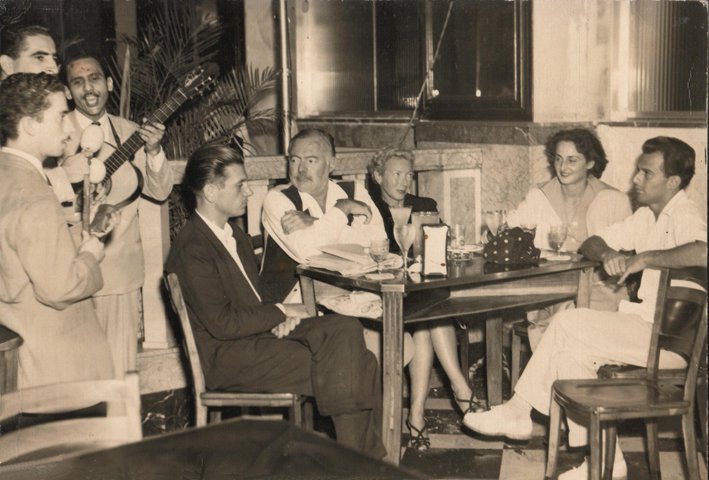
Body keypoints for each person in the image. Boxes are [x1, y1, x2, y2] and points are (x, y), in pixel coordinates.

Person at [463, 136, 707, 480]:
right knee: (568, 360)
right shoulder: (647, 217)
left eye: (647, 173)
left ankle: (518, 411)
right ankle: (606, 460)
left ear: (673, 182)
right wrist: (608, 253)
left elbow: (703, 251)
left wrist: (644, 258)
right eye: (638, 170)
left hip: (668, 343)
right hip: (644, 331)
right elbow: (592, 242)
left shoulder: (684, 213)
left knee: (567, 322)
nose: (636, 179)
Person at [165, 144, 385, 458]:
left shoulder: (234, 236)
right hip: (228, 358)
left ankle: (358, 462)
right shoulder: (193, 249)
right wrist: (281, 310)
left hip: (257, 338)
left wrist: (284, 318)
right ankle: (360, 464)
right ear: (211, 192)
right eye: (240, 185)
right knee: (359, 364)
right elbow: (223, 324)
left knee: (345, 328)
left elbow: (253, 297)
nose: (248, 192)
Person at [53, 51, 173, 377]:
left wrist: (153, 150)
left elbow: (159, 191)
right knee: (75, 373)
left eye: (94, 79)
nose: (88, 89)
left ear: (108, 84)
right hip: (69, 272)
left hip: (120, 274)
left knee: (120, 371)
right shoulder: (57, 133)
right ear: (67, 91)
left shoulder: (130, 131)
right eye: (78, 82)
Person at [0, 73, 115, 388]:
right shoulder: (35, 195)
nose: (70, 129)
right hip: (58, 367)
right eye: (61, 116)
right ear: (29, 125)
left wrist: (75, 234)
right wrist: (90, 254)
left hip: (17, 353)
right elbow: (61, 288)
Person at [367, 147, 477, 450]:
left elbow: (441, 247)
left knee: (429, 316)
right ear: (378, 176)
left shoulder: (425, 206)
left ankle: (418, 415)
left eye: (408, 175)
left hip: (420, 293)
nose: (404, 181)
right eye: (396, 174)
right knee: (430, 315)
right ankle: (461, 391)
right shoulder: (368, 208)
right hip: (384, 296)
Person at [504, 128, 632, 349]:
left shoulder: (613, 199)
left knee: (577, 323)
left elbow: (627, 254)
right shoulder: (540, 196)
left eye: (572, 160)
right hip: (551, 291)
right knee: (566, 318)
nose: (563, 167)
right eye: (558, 159)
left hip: (601, 289)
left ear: (590, 163)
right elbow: (508, 229)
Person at [261, 128, 386, 303]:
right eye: (294, 160)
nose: (301, 169)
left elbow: (379, 245)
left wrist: (315, 222)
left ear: (331, 164)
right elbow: (308, 253)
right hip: (294, 302)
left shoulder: (353, 190)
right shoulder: (277, 199)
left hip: (348, 293)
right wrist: (342, 209)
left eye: (311, 160)